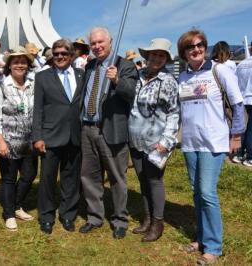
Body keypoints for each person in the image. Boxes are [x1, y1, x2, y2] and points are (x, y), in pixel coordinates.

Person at [177, 29, 245, 265]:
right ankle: (202, 238)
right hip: (190, 143)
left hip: (214, 141)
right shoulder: (183, 77)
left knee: (207, 192)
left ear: (205, 47)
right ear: (183, 52)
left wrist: (236, 137)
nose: (196, 49)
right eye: (190, 47)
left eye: (200, 45)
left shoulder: (220, 70)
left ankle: (213, 247)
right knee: (197, 193)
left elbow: (237, 104)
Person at [79, 27, 138, 239]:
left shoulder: (125, 65)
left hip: (112, 130)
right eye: (93, 43)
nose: (97, 46)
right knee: (90, 176)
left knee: (117, 178)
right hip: (88, 128)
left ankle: (120, 219)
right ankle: (95, 217)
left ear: (110, 41)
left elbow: (132, 93)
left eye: (100, 42)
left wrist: (117, 81)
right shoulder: (90, 66)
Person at [128, 38, 180, 242]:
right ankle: (147, 218)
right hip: (135, 139)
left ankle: (158, 223)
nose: (156, 58)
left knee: (154, 181)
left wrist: (166, 141)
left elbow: (174, 113)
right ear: (147, 56)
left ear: (166, 59)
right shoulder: (138, 76)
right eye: (154, 54)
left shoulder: (168, 81)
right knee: (142, 180)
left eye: (161, 55)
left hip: (156, 142)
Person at [32, 39, 85, 234]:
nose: (60, 57)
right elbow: (37, 109)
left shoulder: (81, 75)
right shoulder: (42, 77)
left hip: (75, 136)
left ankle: (68, 215)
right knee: (47, 179)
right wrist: (37, 136)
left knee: (71, 179)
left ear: (72, 56)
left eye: (64, 53)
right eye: (56, 54)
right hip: (50, 136)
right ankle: (46, 217)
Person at [0, 46, 37, 231]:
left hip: (29, 140)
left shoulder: (33, 84)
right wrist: (0, 141)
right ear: (9, 65)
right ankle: (9, 213)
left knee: (30, 175)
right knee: (9, 178)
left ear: (28, 65)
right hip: (8, 140)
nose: (20, 65)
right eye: (15, 62)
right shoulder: (0, 86)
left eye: (23, 61)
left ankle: (17, 205)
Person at [235, 49, 252, 167]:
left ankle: (240, 153)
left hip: (242, 98)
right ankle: (250, 157)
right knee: (250, 128)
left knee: (247, 127)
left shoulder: (241, 64)